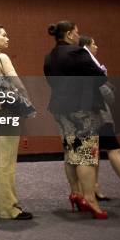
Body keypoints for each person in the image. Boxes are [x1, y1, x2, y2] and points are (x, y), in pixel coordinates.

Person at [44, 21, 108, 219]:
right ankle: (90, 198)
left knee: (71, 151)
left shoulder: (50, 56)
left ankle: (76, 194)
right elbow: (100, 77)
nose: (78, 36)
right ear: (70, 34)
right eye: (77, 32)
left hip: (60, 109)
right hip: (82, 108)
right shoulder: (78, 53)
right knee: (87, 155)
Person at [78, 35, 120, 208]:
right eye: (93, 44)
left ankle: (94, 189)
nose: (97, 47)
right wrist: (108, 85)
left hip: (86, 117)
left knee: (94, 153)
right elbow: (107, 94)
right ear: (86, 48)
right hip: (99, 116)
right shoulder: (90, 68)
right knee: (114, 150)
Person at [0, 25, 33, 220]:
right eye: (4, 35)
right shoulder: (2, 58)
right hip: (8, 110)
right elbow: (16, 82)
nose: (7, 38)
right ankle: (10, 207)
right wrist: (27, 99)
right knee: (8, 161)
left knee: (0, 158)